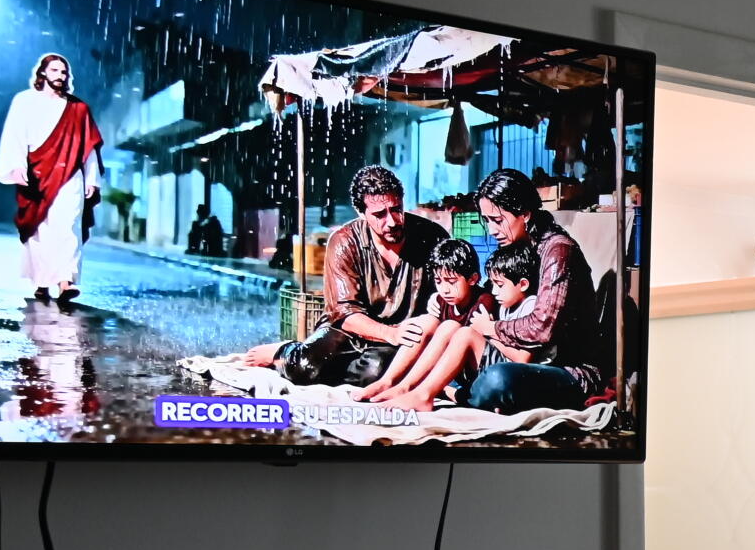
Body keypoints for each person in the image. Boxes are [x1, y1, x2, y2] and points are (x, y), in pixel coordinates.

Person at [248, 164, 455, 384]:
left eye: (396, 209)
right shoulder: (344, 242)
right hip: (349, 331)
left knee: (375, 372)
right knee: (304, 367)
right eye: (380, 215)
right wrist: (390, 333)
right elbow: (345, 313)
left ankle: (348, 368)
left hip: (404, 335)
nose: (392, 221)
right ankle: (286, 351)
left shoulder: (432, 237)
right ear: (361, 213)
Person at [461, 168, 607, 413]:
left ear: (525, 214)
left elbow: (542, 328)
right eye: (486, 220)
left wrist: (492, 328)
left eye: (497, 220)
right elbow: (489, 294)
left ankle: (463, 395)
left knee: (498, 379)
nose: (492, 229)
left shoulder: (558, 251)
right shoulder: (515, 247)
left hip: (569, 371)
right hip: (528, 361)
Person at [0, 52, 102, 307]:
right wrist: (17, 167)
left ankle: (66, 281)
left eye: (64, 72)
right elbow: (15, 137)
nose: (60, 76)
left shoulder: (78, 109)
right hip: (37, 174)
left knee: (69, 226)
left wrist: (91, 179)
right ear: (43, 73)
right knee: (41, 229)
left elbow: (89, 148)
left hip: (70, 175)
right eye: (55, 71)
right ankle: (41, 281)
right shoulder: (25, 102)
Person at [360, 239, 492, 409]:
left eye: (451, 281)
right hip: (449, 372)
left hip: (475, 372)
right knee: (427, 321)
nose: (444, 289)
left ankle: (418, 393)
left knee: (449, 326)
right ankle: (392, 383)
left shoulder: (484, 301)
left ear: (473, 279)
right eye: (439, 281)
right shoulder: (441, 300)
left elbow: (464, 342)